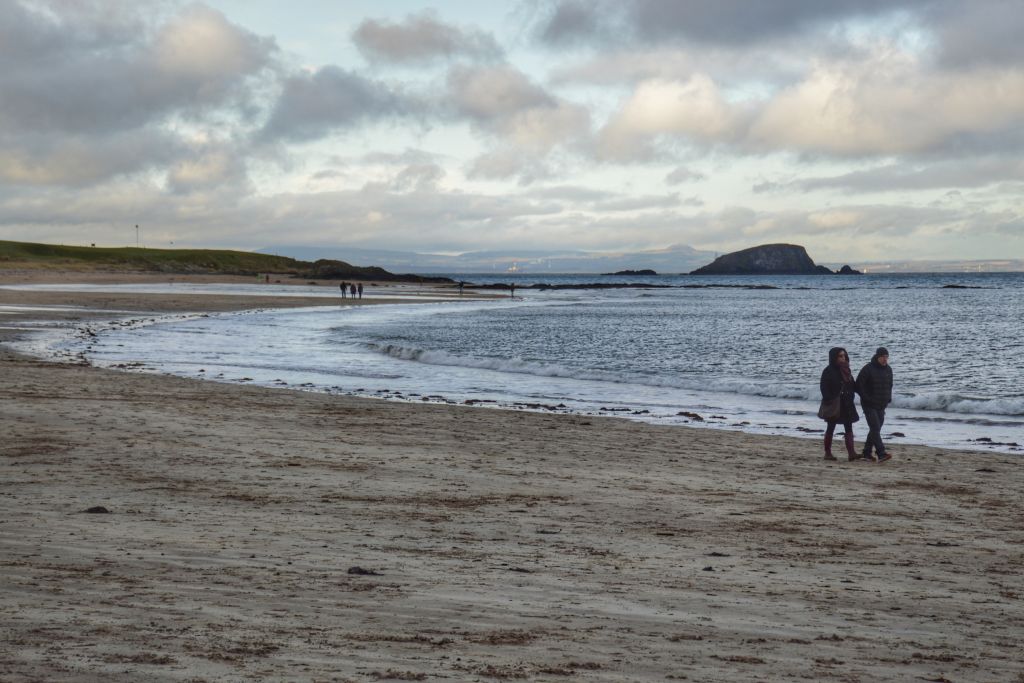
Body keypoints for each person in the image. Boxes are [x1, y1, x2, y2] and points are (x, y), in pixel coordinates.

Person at [819, 347, 860, 461]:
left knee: (849, 427)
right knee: (830, 427)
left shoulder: (846, 369)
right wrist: (830, 399)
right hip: (834, 404)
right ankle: (828, 453)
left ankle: (851, 453)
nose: (843, 358)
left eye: (844, 355)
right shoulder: (828, 371)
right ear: (834, 357)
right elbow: (823, 387)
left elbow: (853, 385)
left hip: (847, 403)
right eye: (840, 356)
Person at [857, 347, 893, 463]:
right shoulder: (868, 368)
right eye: (883, 357)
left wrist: (888, 398)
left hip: (881, 404)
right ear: (877, 357)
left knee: (875, 429)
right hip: (869, 405)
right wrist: (867, 399)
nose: (885, 360)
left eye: (886, 357)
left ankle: (867, 453)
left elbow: (890, 385)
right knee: (875, 428)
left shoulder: (888, 369)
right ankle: (881, 453)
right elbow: (858, 386)